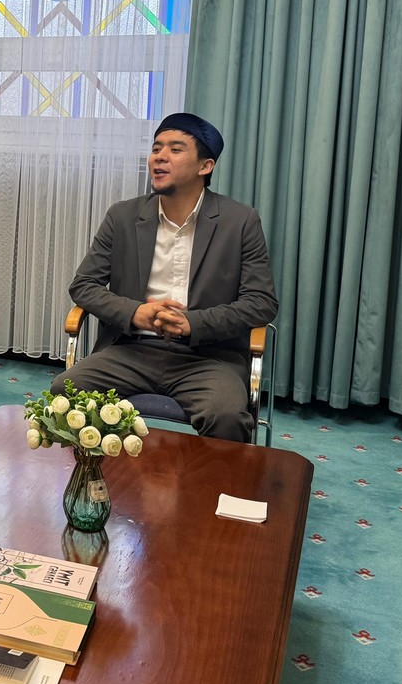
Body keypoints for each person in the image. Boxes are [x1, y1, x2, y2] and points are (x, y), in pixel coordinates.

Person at [51, 113, 278, 442]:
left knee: (225, 416)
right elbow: (84, 285)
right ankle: (90, 474)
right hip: (131, 349)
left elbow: (261, 303)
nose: (159, 156)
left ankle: (211, 479)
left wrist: (192, 324)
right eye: (156, 148)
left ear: (205, 166)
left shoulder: (240, 221)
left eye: (175, 149)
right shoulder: (123, 216)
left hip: (209, 358)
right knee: (66, 390)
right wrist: (135, 312)